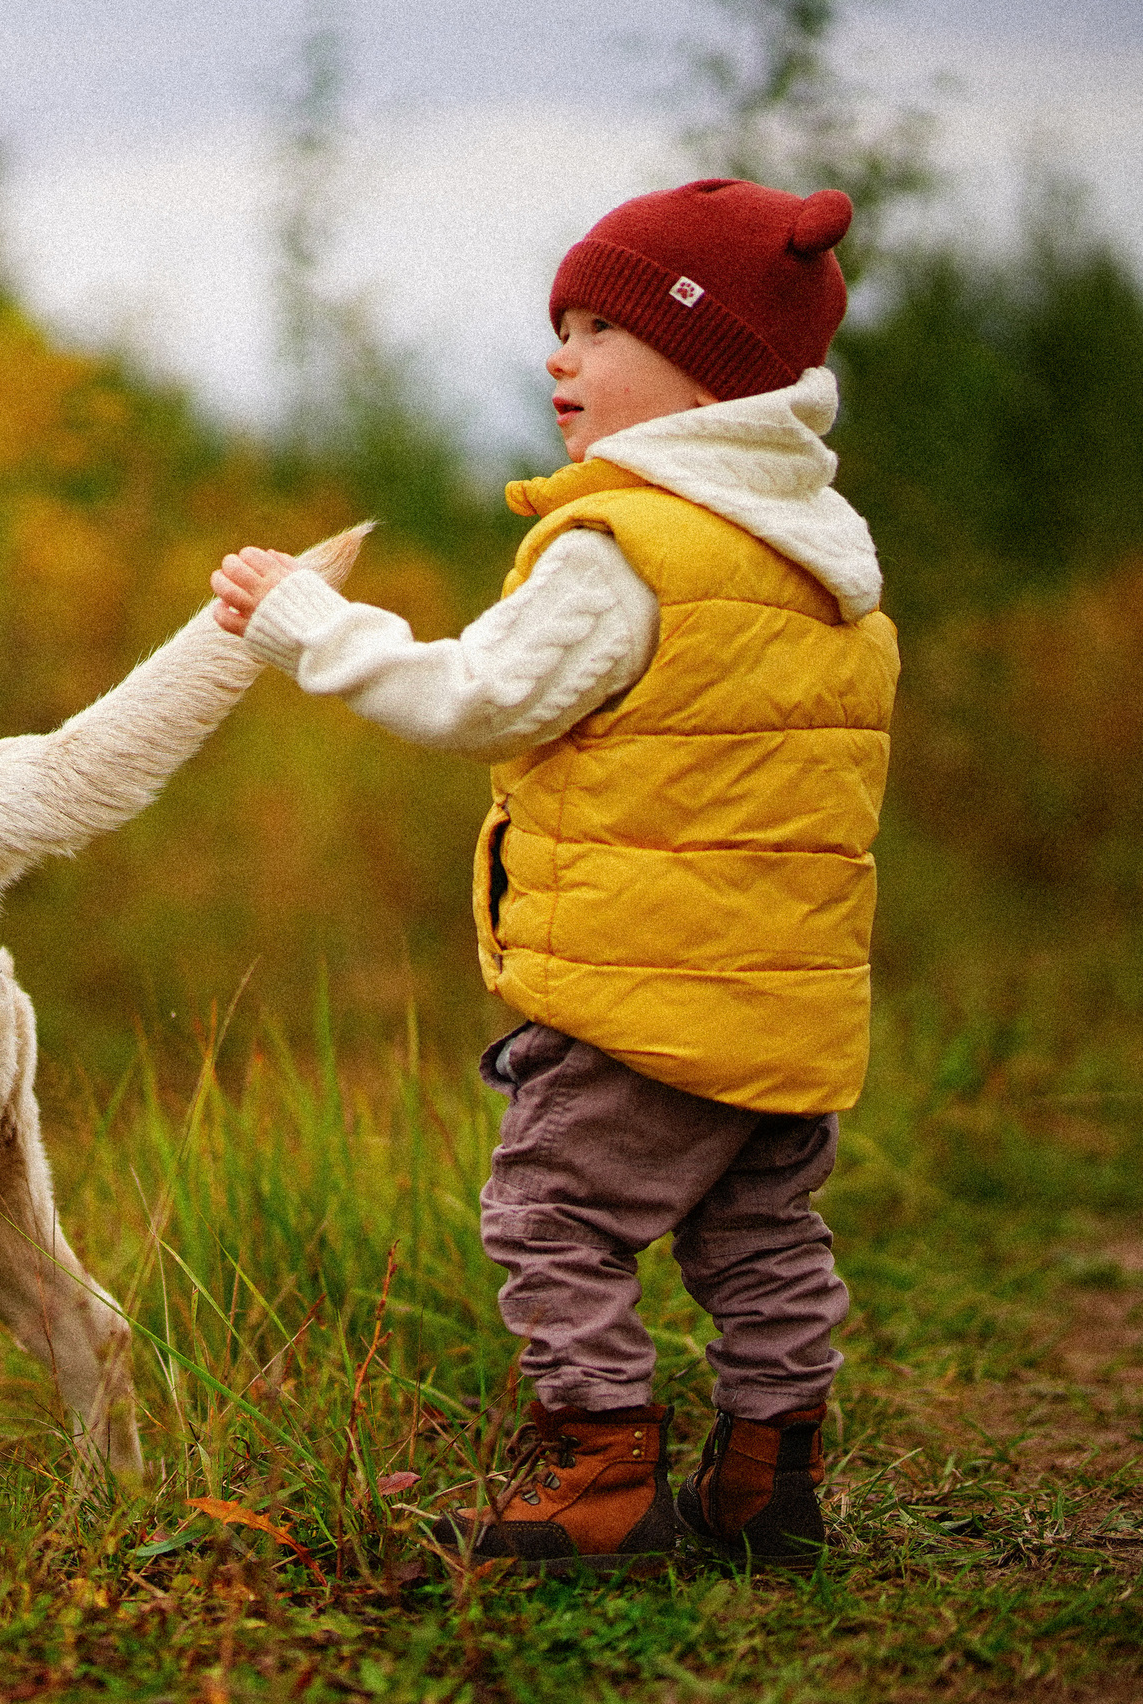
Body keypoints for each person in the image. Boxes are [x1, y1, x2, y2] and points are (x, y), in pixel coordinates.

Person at [210, 178, 899, 1575]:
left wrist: (309, 624)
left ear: (707, 363)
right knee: (759, 1230)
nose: (559, 357)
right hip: (787, 999)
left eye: (599, 328)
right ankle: (772, 1478)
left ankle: (599, 1484)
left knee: (552, 1214)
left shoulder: (625, 547)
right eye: (560, 326)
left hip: (639, 996)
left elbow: (479, 698)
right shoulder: (826, 572)